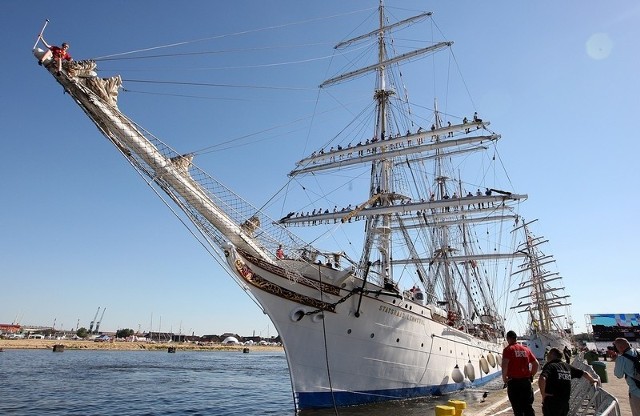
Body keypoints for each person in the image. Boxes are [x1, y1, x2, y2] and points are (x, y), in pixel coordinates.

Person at [538, 347, 599, 416]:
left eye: (548, 354)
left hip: (552, 402)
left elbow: (542, 378)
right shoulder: (567, 366)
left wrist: (543, 394)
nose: (547, 356)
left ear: (552, 355)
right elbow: (584, 373)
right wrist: (592, 380)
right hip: (564, 403)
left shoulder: (550, 366)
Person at [502, 330, 539, 416]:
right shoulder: (526, 349)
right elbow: (536, 364)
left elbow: (505, 366)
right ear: (516, 338)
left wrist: (505, 379)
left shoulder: (508, 350)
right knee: (528, 407)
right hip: (526, 382)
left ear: (508, 339)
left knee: (517, 409)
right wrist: (531, 374)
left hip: (514, 383)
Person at [613, 337, 640, 415]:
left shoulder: (621, 359)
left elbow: (618, 375)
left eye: (616, 347)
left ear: (620, 347)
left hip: (636, 392)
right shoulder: (638, 351)